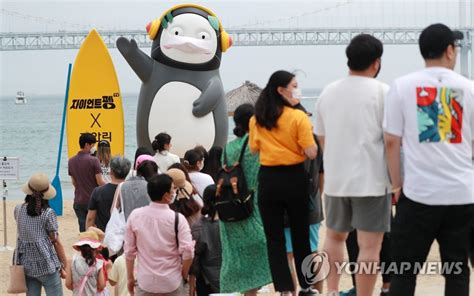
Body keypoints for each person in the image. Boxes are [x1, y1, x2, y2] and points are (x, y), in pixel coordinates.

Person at [384, 23, 474, 296]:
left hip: (418, 193)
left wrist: (397, 186)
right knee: (457, 270)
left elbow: (391, 141)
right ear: (449, 51)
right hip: (462, 194)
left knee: (404, 271)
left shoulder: (401, 86)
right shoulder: (469, 88)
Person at [314, 34, 390, 296]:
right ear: (376, 62)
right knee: (369, 247)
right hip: (372, 180)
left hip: (336, 181)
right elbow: (391, 141)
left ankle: (333, 291)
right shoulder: (383, 92)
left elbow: (322, 139)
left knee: (334, 238)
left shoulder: (328, 92)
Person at [249, 71, 317, 295]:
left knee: (274, 238)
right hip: (294, 178)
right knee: (300, 235)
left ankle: (284, 289)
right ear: (281, 90)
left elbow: (254, 149)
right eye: (294, 86)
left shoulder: (257, 118)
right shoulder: (298, 118)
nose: (297, 90)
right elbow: (311, 152)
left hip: (268, 179)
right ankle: (306, 286)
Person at [220, 103, 273, 294]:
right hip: (252, 208)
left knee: (240, 262)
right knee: (268, 258)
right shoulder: (256, 145)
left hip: (230, 212)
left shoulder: (227, 148)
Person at [124, 174, 194, 295]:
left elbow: (129, 252)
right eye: (173, 189)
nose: (174, 192)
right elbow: (188, 252)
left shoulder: (135, 216)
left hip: (145, 282)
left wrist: (130, 277)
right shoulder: (178, 219)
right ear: (166, 196)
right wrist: (183, 274)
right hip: (172, 282)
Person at [14, 173, 67, 295]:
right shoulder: (48, 213)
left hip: (27, 264)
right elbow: (56, 241)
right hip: (46, 263)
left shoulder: (18, 209)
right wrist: (64, 264)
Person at [284, 136, 325, 295]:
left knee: (288, 255)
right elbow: (322, 173)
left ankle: (290, 293)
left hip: (286, 208)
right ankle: (317, 292)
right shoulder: (314, 140)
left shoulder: (283, 138)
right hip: (312, 206)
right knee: (313, 252)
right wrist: (317, 197)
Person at [69, 132, 106, 231]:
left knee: (83, 229)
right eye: (92, 145)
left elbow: (74, 182)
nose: (93, 148)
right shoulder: (94, 160)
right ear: (86, 145)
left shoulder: (71, 161)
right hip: (93, 200)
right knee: (97, 230)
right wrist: (112, 187)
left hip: (78, 200)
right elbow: (100, 182)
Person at [190, 184, 222, 295]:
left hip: (206, 282)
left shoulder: (198, 226)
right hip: (232, 280)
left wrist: (191, 284)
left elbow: (193, 258)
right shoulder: (233, 225)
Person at [86, 156, 131, 231]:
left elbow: (90, 218)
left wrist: (89, 233)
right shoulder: (131, 191)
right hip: (124, 234)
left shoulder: (98, 191)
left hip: (103, 234)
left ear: (111, 172)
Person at [66, 230, 106, 295]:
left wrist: (77, 288)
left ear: (80, 247)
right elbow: (101, 286)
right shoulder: (98, 263)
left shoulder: (71, 261)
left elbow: (68, 284)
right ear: (95, 248)